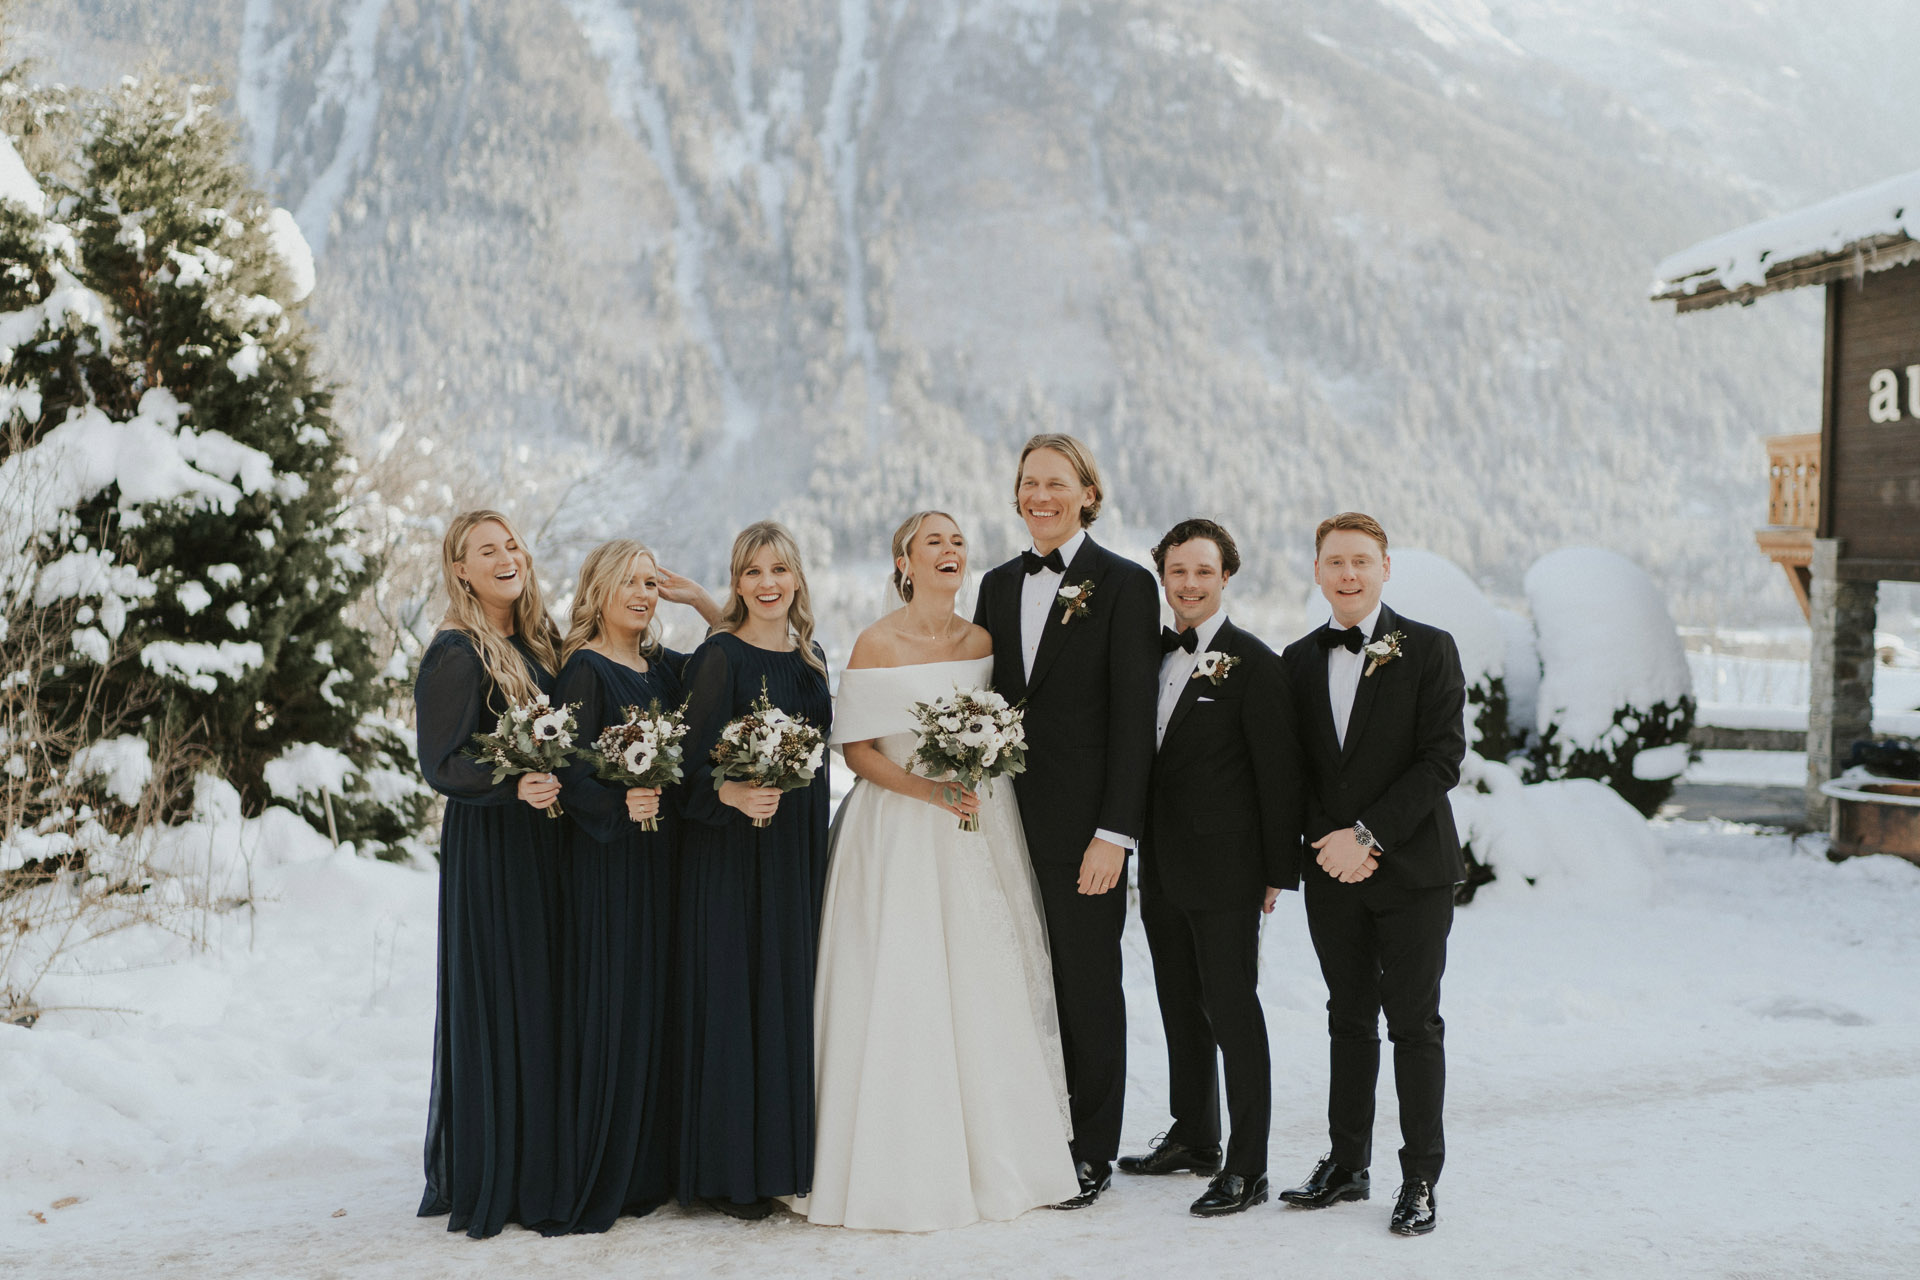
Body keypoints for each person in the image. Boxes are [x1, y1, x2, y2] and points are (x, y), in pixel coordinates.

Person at [794, 511, 1079, 1231]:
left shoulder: (981, 641)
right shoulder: (877, 641)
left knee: (986, 974)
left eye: (957, 542)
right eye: (934, 543)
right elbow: (855, 749)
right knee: (903, 975)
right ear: (904, 561)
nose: (950, 551)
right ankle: (898, 1159)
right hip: (897, 827)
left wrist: (975, 771)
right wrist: (929, 789)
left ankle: (1005, 1153)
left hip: (979, 824)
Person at [971, 434, 1159, 1209]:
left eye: (1054, 483)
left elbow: (1133, 718)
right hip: (1005, 824)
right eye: (1026, 484)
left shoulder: (1124, 584)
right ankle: (1033, 1129)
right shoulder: (993, 584)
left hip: (1087, 835)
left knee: (1087, 986)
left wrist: (1115, 833)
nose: (1038, 497)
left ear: (1087, 491)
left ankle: (1092, 1150)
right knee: (1018, 986)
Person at [1276, 512, 1466, 1237]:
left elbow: (1441, 758)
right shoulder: (1295, 660)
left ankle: (1419, 1178)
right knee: (1347, 1018)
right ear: (1318, 571)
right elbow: (1291, 768)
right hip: (1330, 870)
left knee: (1413, 1024)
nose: (1348, 575)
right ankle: (1346, 1163)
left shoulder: (1430, 650)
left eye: (1361, 561)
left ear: (1386, 567)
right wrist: (1316, 847)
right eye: (1334, 562)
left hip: (1411, 869)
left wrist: (1368, 836)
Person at [1119, 518, 1301, 1217]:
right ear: (1163, 576)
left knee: (1232, 1010)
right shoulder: (1151, 655)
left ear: (1226, 576)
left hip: (1228, 871)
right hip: (1160, 864)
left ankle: (1247, 1166)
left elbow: (1279, 777)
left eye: (1202, 571)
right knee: (1177, 1005)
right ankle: (1195, 1136)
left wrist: (1275, 873)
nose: (1189, 584)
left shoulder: (1254, 663)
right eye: (1177, 571)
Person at [548, 540, 720, 1233]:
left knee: (657, 1000)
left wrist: (704, 601)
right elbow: (566, 769)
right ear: (598, 587)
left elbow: (723, 662)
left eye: (652, 584)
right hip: (610, 862)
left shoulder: (660, 666)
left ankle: (651, 1166)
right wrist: (620, 804)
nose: (645, 595)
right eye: (631, 582)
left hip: (663, 860)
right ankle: (606, 1169)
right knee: (615, 1002)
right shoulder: (584, 671)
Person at [413, 509, 569, 1239]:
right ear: (461, 570)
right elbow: (441, 763)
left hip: (547, 847)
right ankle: (499, 1170)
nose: (507, 556)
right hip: (495, 853)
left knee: (545, 999)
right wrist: (513, 787)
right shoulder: (457, 650)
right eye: (487, 550)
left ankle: (544, 1155)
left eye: (511, 544)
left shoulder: (536, 640)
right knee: (508, 997)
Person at [675, 521, 833, 1220]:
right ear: (737, 582)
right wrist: (732, 793)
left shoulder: (813, 658)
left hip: (794, 852)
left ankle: (781, 1162)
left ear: (796, 577)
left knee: (785, 998)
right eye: (752, 572)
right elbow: (685, 769)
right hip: (733, 854)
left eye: (779, 570)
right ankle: (730, 1173)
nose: (768, 583)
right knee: (737, 997)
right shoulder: (719, 659)